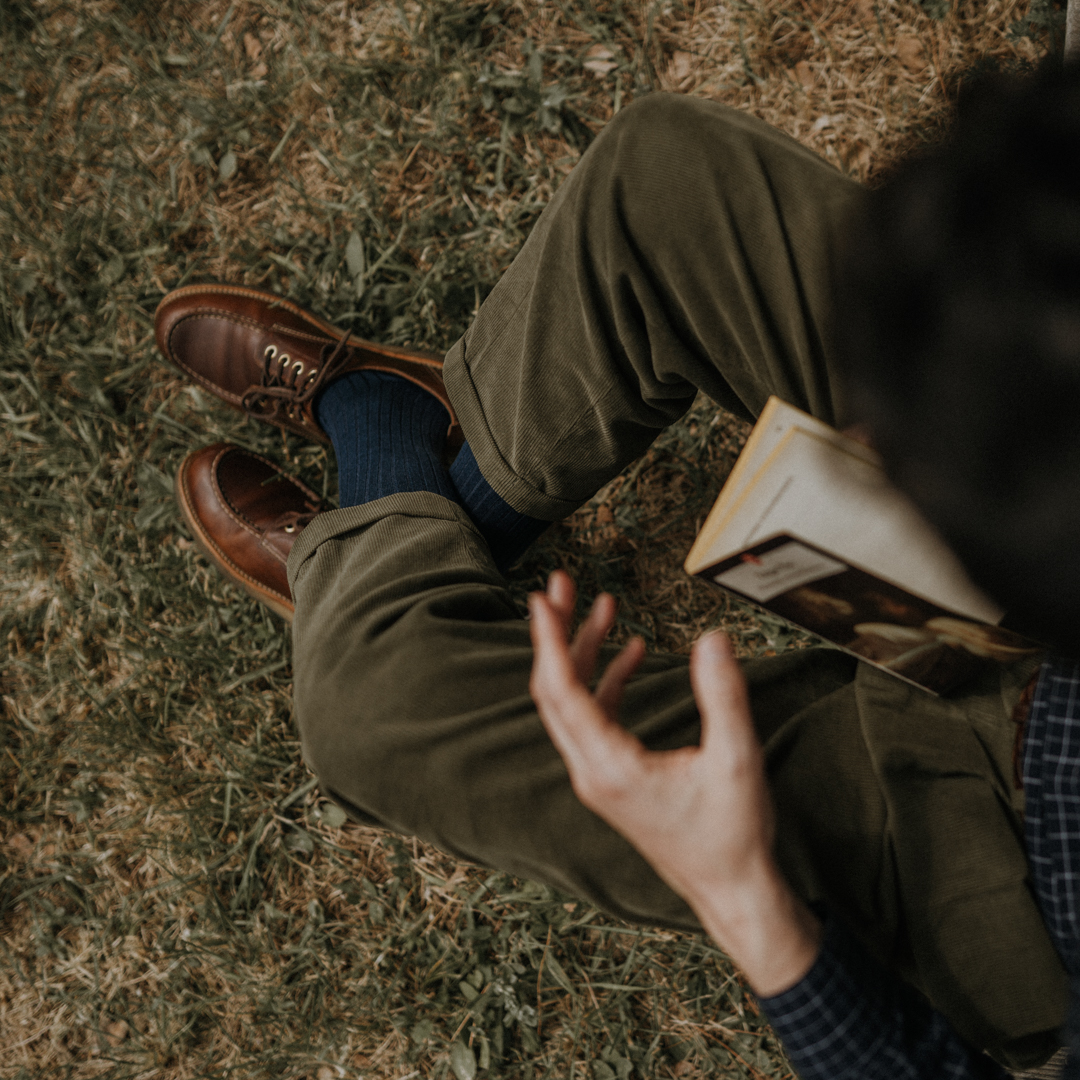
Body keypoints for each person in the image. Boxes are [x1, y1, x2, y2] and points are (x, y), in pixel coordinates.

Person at [154, 60, 1080, 1078]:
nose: (862, 441)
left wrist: (743, 896)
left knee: (368, 708)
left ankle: (385, 470)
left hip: (998, 844)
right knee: (667, 180)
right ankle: (390, 531)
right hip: (1038, 501)